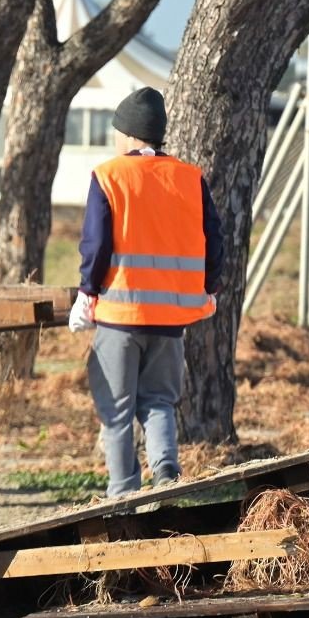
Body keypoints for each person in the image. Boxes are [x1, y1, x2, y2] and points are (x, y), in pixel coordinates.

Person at [69, 86, 223, 498]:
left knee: (116, 409)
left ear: (128, 134)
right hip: (171, 321)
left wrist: (86, 293)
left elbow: (96, 244)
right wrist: (210, 287)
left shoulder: (110, 175)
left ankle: (123, 492)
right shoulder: (190, 178)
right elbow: (214, 240)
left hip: (120, 317)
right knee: (158, 401)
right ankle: (166, 472)